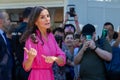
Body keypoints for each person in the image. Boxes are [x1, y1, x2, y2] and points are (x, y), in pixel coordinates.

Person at [20, 6, 66, 80]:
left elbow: (62, 59)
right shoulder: (32, 38)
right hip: (37, 76)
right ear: (36, 22)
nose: (47, 19)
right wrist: (31, 58)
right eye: (42, 17)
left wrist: (55, 58)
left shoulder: (51, 36)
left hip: (50, 75)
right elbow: (26, 67)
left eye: (48, 16)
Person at [12, 7, 32, 80]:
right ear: (30, 16)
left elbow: (13, 48)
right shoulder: (29, 31)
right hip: (29, 68)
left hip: (18, 68)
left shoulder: (15, 30)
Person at [0, 11, 14, 80]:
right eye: (8, 19)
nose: (9, 22)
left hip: (8, 74)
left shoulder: (5, 35)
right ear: (1, 21)